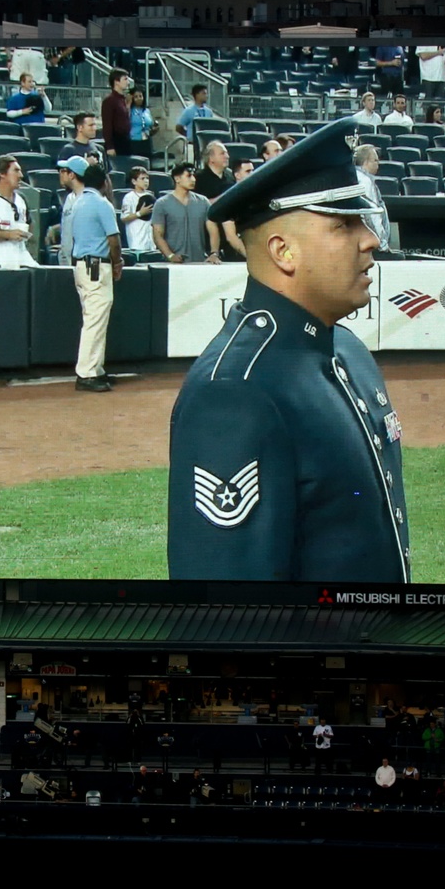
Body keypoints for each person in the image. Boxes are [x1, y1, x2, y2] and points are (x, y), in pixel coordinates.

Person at [166, 117, 408, 582]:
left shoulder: (346, 348)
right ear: (283, 251)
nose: (371, 239)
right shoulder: (237, 391)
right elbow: (228, 616)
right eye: (343, 225)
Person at [61, 158, 121, 392]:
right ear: (104, 182)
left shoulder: (78, 202)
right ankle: (86, 373)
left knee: (93, 318)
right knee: (95, 321)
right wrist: (118, 263)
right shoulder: (100, 203)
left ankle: (95, 369)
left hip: (82, 265)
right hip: (96, 266)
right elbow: (113, 240)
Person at [152, 165, 220, 264]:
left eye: (194, 176)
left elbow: (213, 230)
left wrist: (214, 253)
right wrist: (170, 255)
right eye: (189, 176)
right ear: (177, 179)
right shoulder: (162, 203)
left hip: (200, 261)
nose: (193, 179)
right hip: (173, 264)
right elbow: (158, 235)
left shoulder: (203, 201)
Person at [353, 145, 391, 248]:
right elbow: (372, 214)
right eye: (375, 160)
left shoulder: (354, 177)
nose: (378, 164)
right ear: (365, 162)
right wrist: (381, 243)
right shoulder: (365, 181)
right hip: (372, 244)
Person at [118, 166, 156, 254]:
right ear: (134, 181)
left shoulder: (151, 196)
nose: (146, 181)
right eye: (142, 178)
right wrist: (140, 213)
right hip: (137, 240)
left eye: (147, 178)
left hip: (150, 240)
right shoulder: (129, 197)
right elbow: (124, 218)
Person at [100, 70, 134, 158]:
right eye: (125, 79)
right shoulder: (109, 101)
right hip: (117, 142)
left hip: (126, 140)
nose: (128, 82)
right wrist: (110, 146)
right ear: (116, 82)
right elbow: (107, 125)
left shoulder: (123, 100)